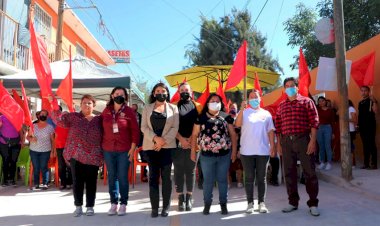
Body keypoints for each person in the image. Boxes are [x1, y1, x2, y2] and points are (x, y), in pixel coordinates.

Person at [51, 94, 103, 217]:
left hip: (93, 155)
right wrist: (53, 103)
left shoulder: (99, 120)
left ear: (93, 105)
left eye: (89, 103)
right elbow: (59, 120)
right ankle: (78, 206)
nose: (87, 105)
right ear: (80, 105)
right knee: (77, 182)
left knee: (91, 182)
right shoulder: (73, 117)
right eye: (84, 103)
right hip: (76, 155)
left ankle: (90, 206)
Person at [275, 77, 320, 217]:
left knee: (309, 172)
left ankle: (313, 203)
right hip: (286, 142)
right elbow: (278, 126)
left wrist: (312, 141)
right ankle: (293, 202)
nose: (289, 88)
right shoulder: (281, 105)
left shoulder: (307, 102)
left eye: (292, 85)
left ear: (297, 87)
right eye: (287, 86)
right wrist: (279, 144)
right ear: (284, 89)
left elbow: (314, 122)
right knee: (289, 173)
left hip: (303, 140)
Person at [191, 94, 237, 215]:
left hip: (224, 155)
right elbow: (194, 135)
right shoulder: (200, 118)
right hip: (206, 156)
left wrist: (234, 152)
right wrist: (192, 151)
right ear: (207, 103)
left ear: (221, 103)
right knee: (208, 181)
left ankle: (223, 204)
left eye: (217, 101)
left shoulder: (226, 117)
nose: (215, 102)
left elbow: (233, 135)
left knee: (222, 180)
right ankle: (207, 204)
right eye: (212, 101)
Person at [141, 82, 179, 218]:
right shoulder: (147, 108)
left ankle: (166, 207)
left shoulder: (173, 108)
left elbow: (175, 128)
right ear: (153, 93)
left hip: (167, 148)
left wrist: (162, 141)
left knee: (167, 178)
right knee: (153, 177)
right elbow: (143, 127)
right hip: (151, 147)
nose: (160, 93)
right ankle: (154, 208)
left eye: (163, 91)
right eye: (158, 90)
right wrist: (156, 139)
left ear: (167, 93)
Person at [235, 90, 275, 214]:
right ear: (247, 99)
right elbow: (237, 124)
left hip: (263, 151)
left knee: (261, 178)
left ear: (260, 98)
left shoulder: (266, 114)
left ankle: (261, 203)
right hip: (247, 151)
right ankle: (250, 203)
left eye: (255, 97)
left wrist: (272, 146)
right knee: (249, 178)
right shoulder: (244, 113)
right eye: (251, 97)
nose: (253, 99)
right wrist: (241, 109)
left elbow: (270, 131)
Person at [101, 86, 140, 216]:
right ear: (112, 96)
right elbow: (100, 129)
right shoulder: (106, 111)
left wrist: (133, 148)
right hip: (108, 149)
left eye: (122, 94)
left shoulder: (129, 112)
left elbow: (135, 131)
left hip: (125, 150)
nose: (119, 95)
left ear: (125, 97)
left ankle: (123, 203)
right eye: (116, 93)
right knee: (112, 176)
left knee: (123, 177)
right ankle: (113, 203)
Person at [173, 82, 202, 212]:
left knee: (191, 171)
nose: (184, 91)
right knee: (178, 170)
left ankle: (189, 197)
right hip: (177, 144)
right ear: (179, 92)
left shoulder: (199, 107)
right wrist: (181, 139)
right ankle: (180, 198)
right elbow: (170, 126)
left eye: (187, 90)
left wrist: (191, 139)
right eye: (182, 90)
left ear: (191, 92)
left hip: (194, 144)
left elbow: (201, 125)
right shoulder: (173, 107)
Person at [26, 110, 55, 190]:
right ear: (38, 116)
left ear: (47, 116)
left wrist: (53, 151)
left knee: (44, 167)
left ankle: (45, 183)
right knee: (36, 167)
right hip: (34, 150)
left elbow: (53, 140)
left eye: (44, 114)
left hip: (45, 150)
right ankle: (36, 183)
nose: (42, 115)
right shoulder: (33, 126)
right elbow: (28, 136)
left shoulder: (50, 127)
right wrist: (31, 139)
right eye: (41, 114)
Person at [358, 86, 378, 170]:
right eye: (362, 91)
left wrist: (374, 101)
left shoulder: (372, 100)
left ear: (368, 91)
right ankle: (366, 163)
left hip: (370, 126)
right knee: (365, 145)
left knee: (371, 144)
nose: (363, 92)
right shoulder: (360, 102)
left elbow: (376, 111)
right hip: (362, 127)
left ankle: (374, 164)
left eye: (365, 91)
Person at [0, 114, 23, 186]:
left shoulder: (17, 117)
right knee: (6, 160)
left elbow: (20, 130)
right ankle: (5, 180)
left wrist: (22, 141)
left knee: (14, 161)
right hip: (3, 143)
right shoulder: (2, 117)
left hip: (16, 143)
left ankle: (12, 179)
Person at [55, 106, 72, 190]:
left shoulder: (71, 125)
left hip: (69, 148)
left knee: (69, 166)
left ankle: (69, 182)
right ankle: (63, 183)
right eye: (63, 116)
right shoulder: (58, 125)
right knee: (61, 166)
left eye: (66, 116)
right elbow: (55, 136)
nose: (64, 117)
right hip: (59, 147)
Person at [316, 96, 335, 170]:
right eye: (319, 101)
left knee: (328, 145)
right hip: (319, 128)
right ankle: (322, 162)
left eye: (322, 101)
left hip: (328, 128)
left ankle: (329, 163)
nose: (321, 102)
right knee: (321, 146)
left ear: (325, 101)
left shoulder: (330, 110)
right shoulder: (317, 110)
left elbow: (333, 121)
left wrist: (333, 132)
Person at [227, 103, 243, 188]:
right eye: (231, 108)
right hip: (228, 146)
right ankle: (228, 183)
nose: (233, 109)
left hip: (238, 146)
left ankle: (239, 181)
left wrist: (240, 149)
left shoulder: (240, 119)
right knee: (227, 165)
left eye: (234, 108)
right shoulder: (225, 119)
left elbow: (242, 134)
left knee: (239, 164)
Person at [131, 103, 148, 182]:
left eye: (135, 107)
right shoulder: (127, 116)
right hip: (130, 139)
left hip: (140, 138)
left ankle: (144, 173)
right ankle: (130, 173)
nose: (134, 108)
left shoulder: (140, 116)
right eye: (132, 107)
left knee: (143, 156)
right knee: (130, 156)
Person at [348, 100, 358, 168]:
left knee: (351, 147)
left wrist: (345, 119)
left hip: (351, 130)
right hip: (347, 131)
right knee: (349, 147)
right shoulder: (346, 109)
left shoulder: (351, 108)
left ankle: (353, 163)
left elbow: (354, 120)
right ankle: (350, 162)